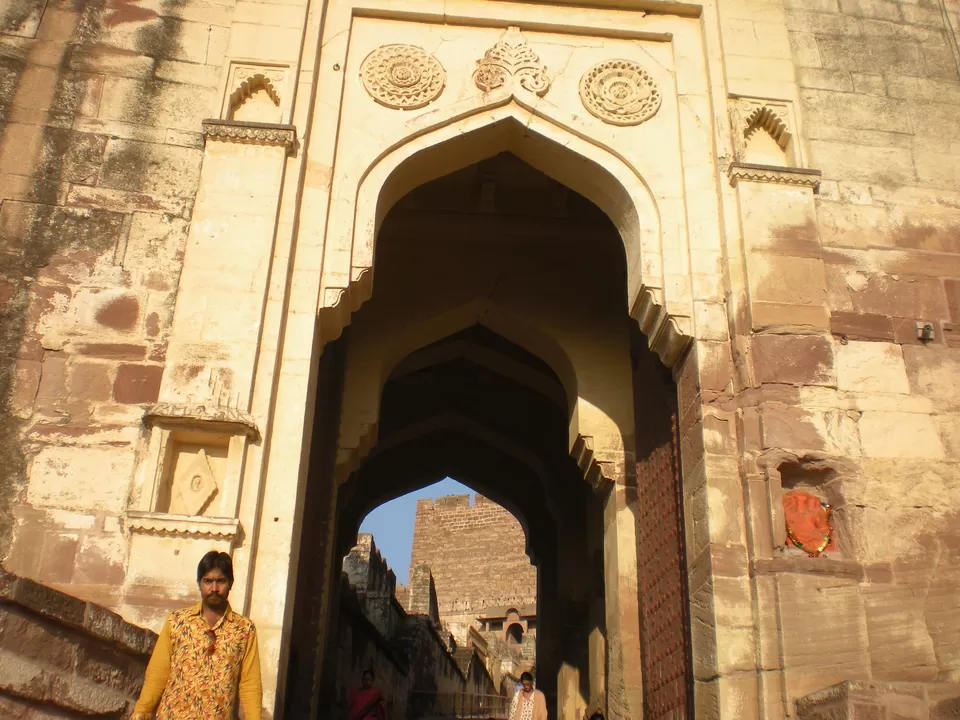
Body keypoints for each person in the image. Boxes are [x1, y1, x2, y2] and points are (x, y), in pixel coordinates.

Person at [132, 551, 262, 720]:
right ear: (199, 583)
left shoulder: (244, 629)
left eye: (220, 581)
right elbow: (158, 672)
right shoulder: (178, 622)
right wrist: (141, 712)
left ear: (231, 583)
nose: (214, 588)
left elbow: (250, 685)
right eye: (208, 581)